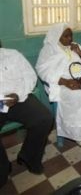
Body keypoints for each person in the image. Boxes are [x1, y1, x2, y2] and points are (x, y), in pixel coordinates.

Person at [36, 23, 81, 169]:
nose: (69, 39)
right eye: (66, 36)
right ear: (57, 36)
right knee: (77, 99)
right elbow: (42, 70)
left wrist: (80, 53)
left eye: (71, 35)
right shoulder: (49, 50)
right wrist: (64, 82)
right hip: (62, 82)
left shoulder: (76, 46)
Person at [0, 41, 53, 188]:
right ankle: (3, 167)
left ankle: (28, 157)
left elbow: (30, 76)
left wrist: (18, 94)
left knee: (44, 119)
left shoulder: (13, 55)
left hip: (19, 98)